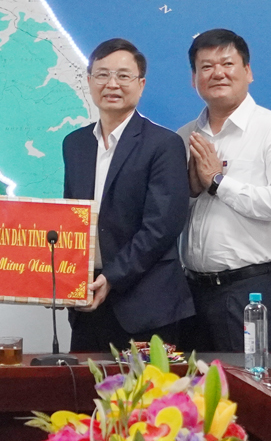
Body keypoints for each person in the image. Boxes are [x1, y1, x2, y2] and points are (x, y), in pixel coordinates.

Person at [176, 29, 271, 353]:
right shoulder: (184, 136)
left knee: (248, 381)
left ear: (248, 71)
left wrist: (219, 183)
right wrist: (191, 190)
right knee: (194, 381)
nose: (217, 73)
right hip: (191, 291)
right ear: (194, 79)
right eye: (206, 66)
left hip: (249, 290)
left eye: (227, 63)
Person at [63, 38, 193, 351]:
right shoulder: (75, 144)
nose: (112, 84)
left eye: (123, 76)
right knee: (87, 383)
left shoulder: (164, 144)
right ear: (89, 81)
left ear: (141, 84)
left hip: (146, 306)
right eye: (102, 75)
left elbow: (161, 227)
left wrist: (111, 277)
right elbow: (71, 219)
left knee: (148, 386)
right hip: (87, 301)